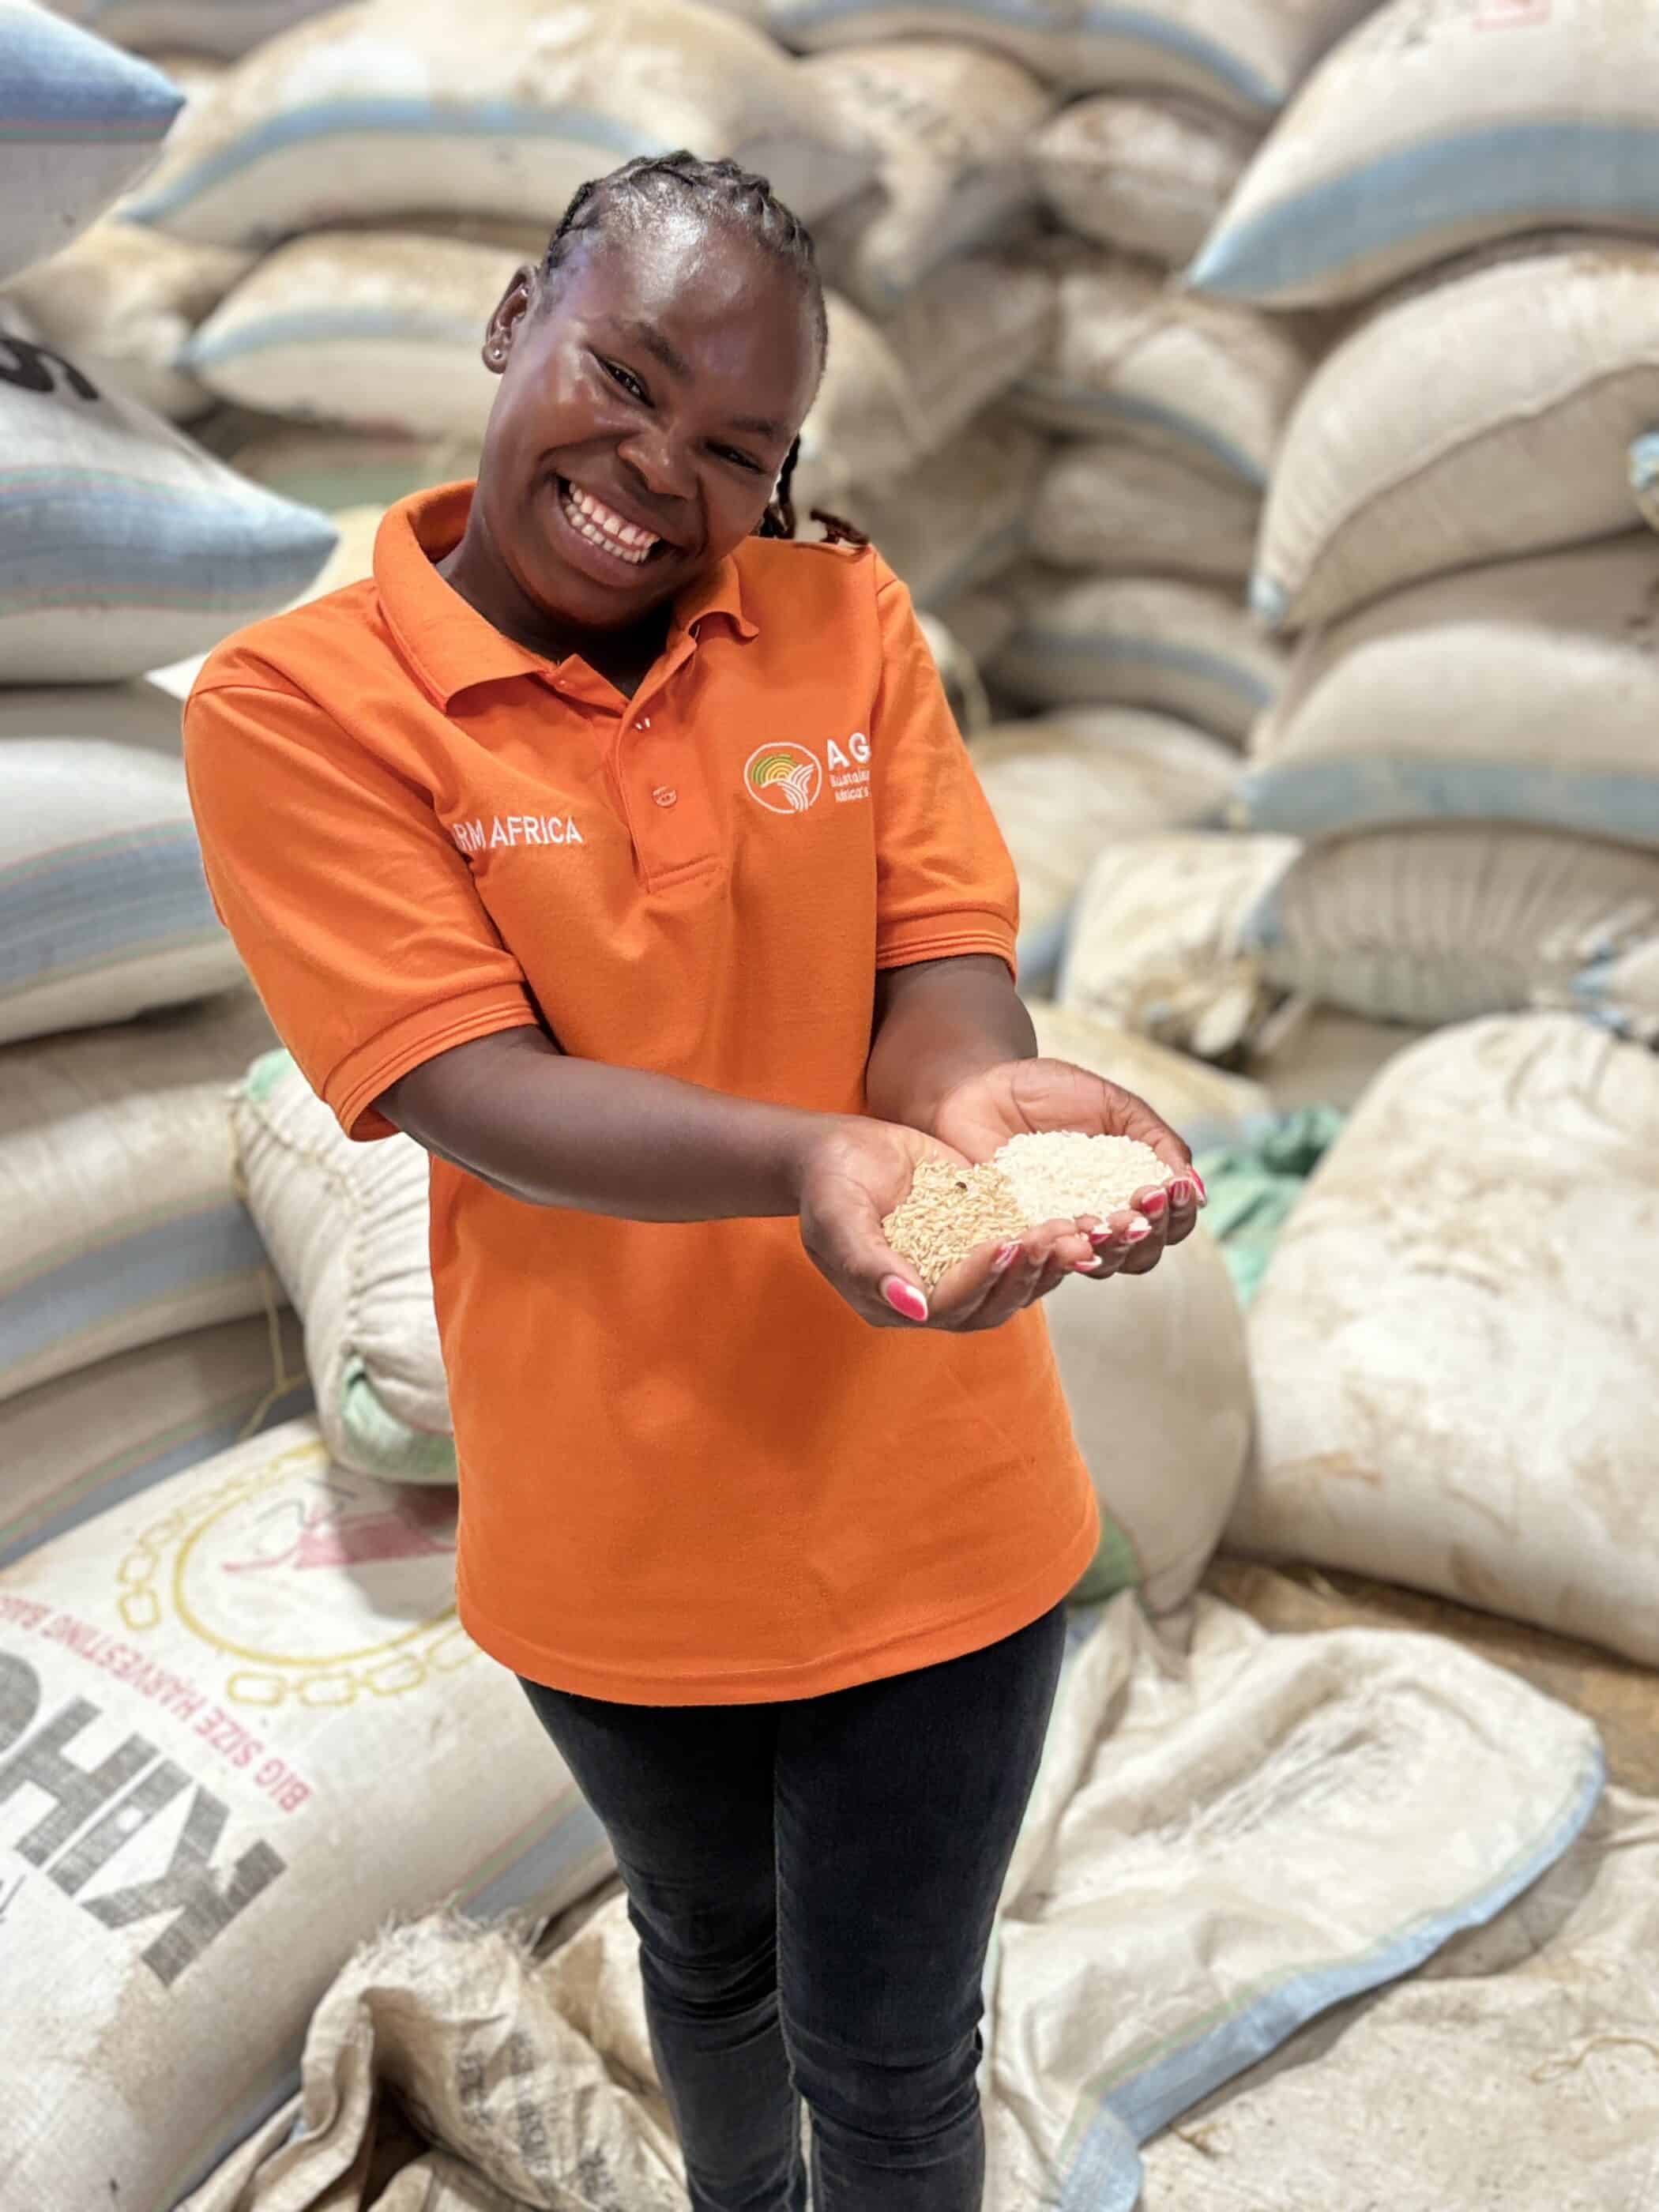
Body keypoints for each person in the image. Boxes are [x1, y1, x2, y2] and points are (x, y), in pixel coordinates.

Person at [182, 152, 1206, 2212]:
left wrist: (965, 1124)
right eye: (625, 380)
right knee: (705, 1963)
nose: (656, 474)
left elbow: (938, 973)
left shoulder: (843, 621)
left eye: (736, 446)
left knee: (895, 2056)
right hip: (609, 1526)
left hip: (935, 1498)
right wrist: (818, 1156)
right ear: (508, 322)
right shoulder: (297, 707)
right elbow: (472, 1087)